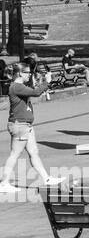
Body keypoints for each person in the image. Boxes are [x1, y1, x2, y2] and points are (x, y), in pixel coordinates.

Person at [0, 56, 63, 191]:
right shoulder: (16, 87)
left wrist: (38, 82)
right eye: (27, 72)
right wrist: (47, 82)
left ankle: (46, 178)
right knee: (15, 154)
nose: (30, 74)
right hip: (20, 125)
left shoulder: (20, 86)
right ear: (20, 73)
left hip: (26, 125)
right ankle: (4, 183)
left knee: (34, 152)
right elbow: (36, 92)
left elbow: (32, 90)